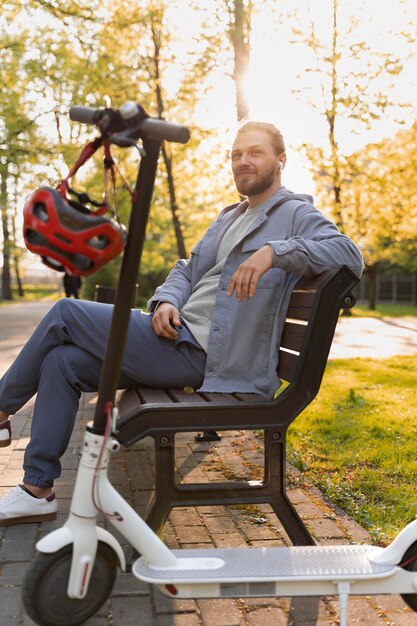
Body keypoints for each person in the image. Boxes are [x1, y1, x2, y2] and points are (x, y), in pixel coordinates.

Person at [0, 121, 363, 526]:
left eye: (255, 152)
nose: (243, 160)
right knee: (62, 363)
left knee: (66, 313)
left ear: (281, 160)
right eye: (236, 154)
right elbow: (187, 270)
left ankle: (0, 409)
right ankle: (37, 490)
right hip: (176, 336)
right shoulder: (230, 216)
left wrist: (274, 252)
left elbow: (348, 254)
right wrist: (167, 300)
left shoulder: (295, 213)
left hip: (206, 355)